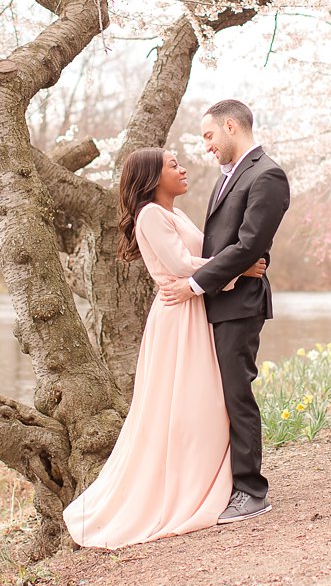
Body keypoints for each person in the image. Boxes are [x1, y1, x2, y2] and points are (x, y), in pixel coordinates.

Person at [63, 147, 268, 549]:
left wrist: (225, 263)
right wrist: (239, 267)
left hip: (194, 310)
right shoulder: (151, 215)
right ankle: (182, 488)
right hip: (179, 316)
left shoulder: (173, 212)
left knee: (203, 402)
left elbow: (201, 257)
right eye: (173, 165)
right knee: (186, 404)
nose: (183, 168)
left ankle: (210, 480)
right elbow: (178, 263)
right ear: (153, 178)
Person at [159, 99, 290, 524]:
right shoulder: (228, 177)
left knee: (237, 394)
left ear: (231, 126)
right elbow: (218, 246)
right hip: (217, 302)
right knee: (217, 397)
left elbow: (249, 245)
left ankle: (251, 491)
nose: (207, 146)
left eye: (209, 136)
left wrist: (196, 283)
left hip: (239, 304)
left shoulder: (267, 175)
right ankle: (219, 484)